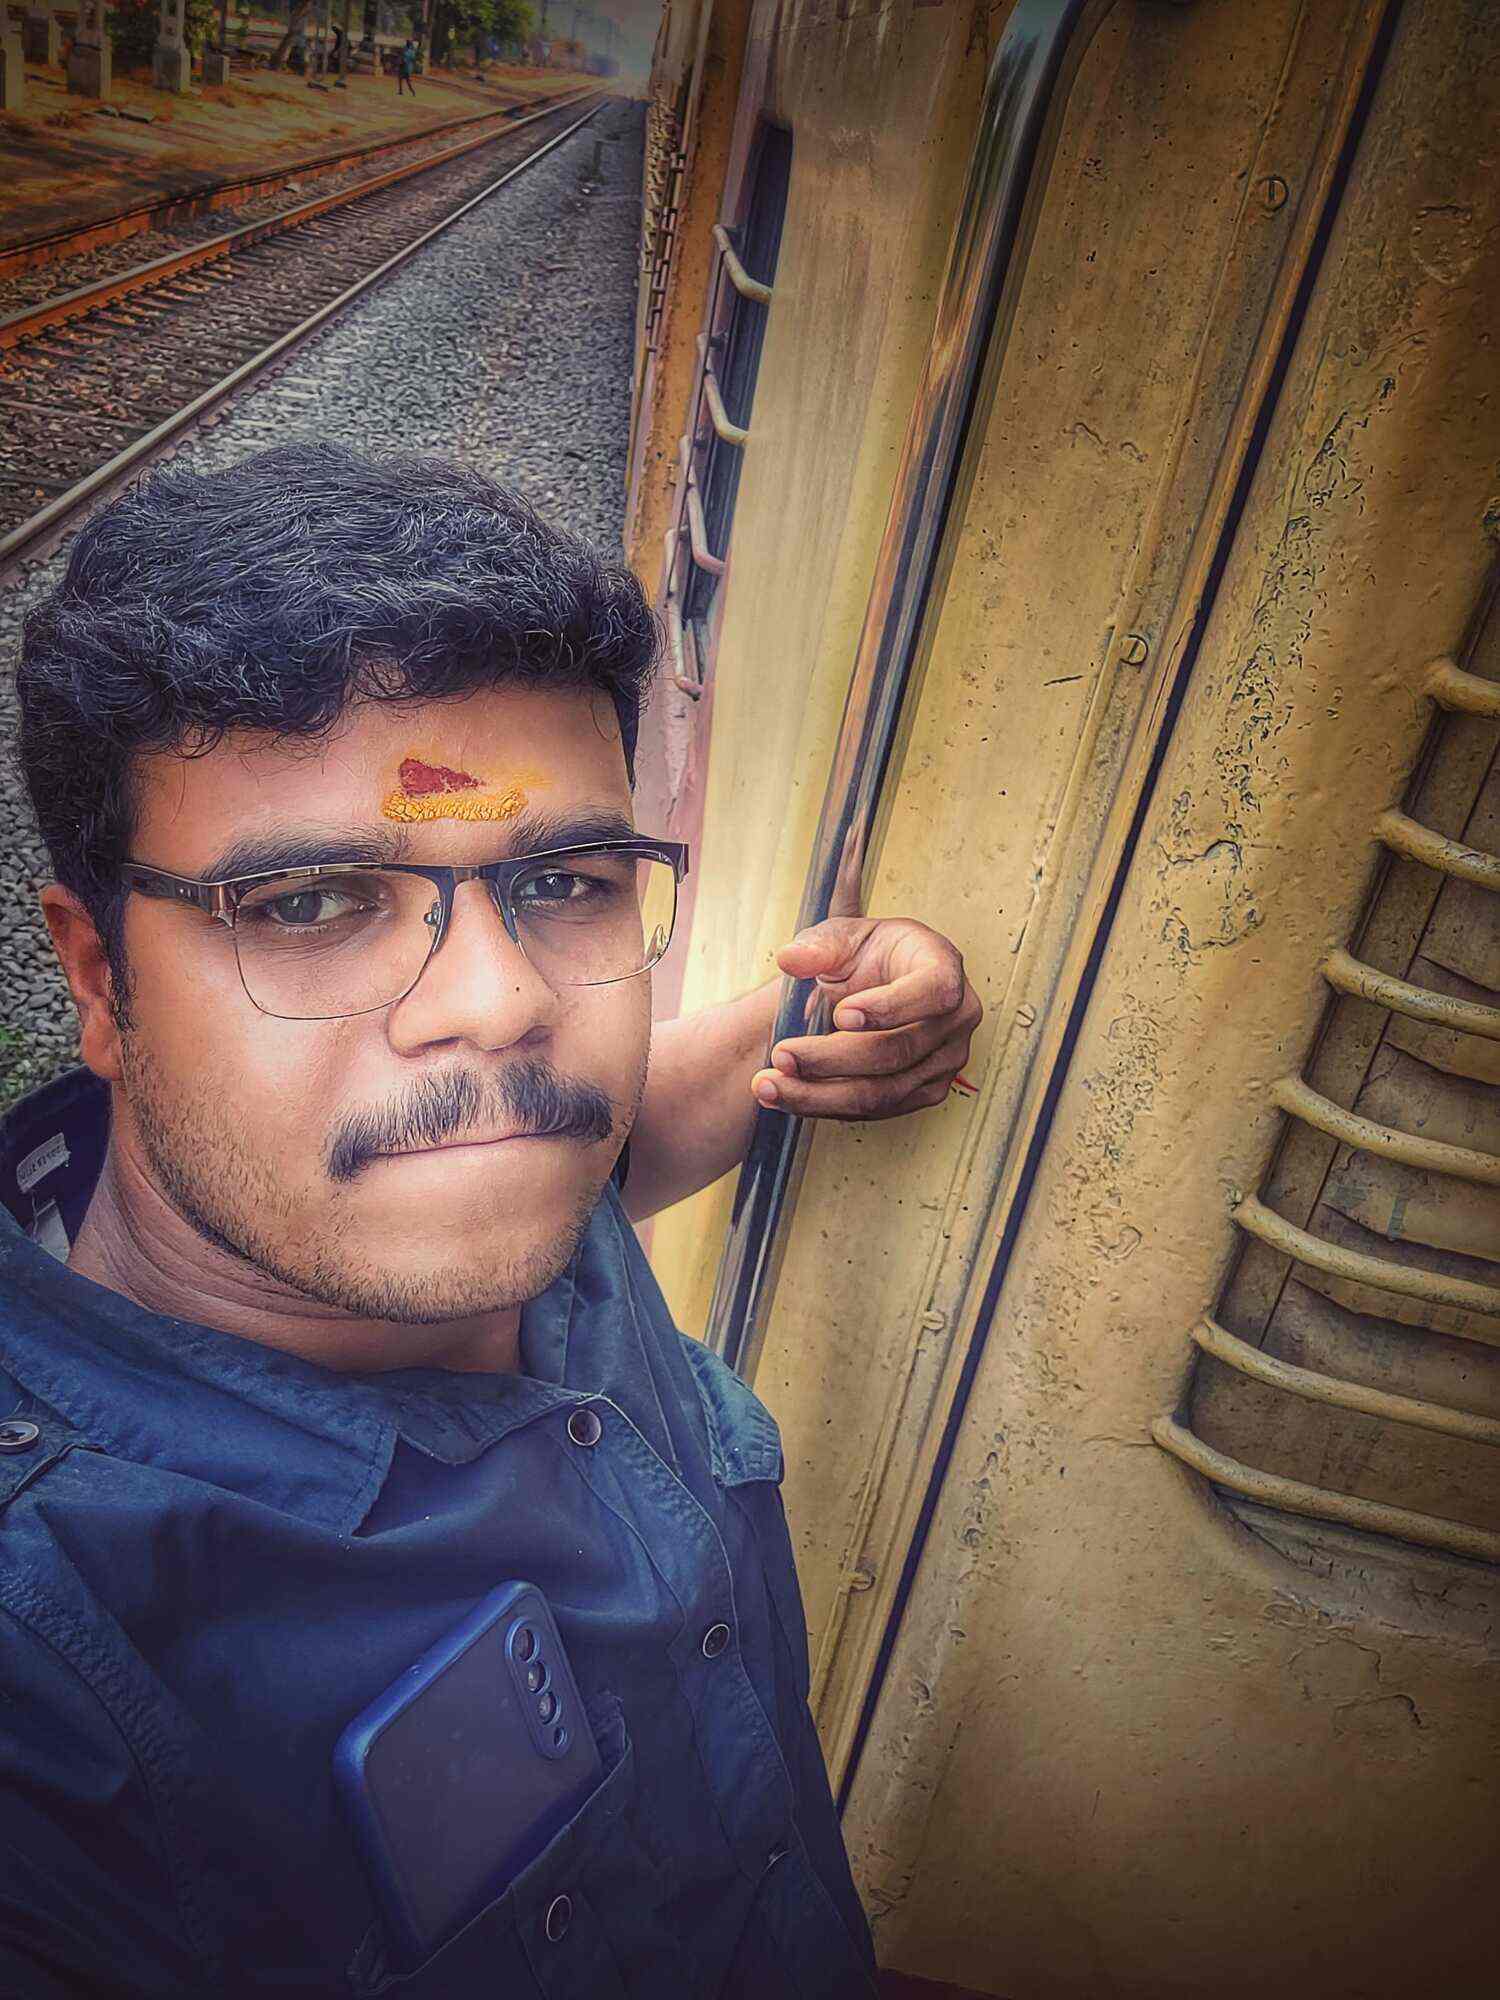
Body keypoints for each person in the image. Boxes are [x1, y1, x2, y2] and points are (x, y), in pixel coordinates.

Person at [0, 445, 982, 1995]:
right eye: (311, 903)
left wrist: (852, 1002)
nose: (505, 1004)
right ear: (100, 978)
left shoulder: (479, 1165)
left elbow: (646, 1116)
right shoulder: (51, 1669)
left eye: (568, 880)